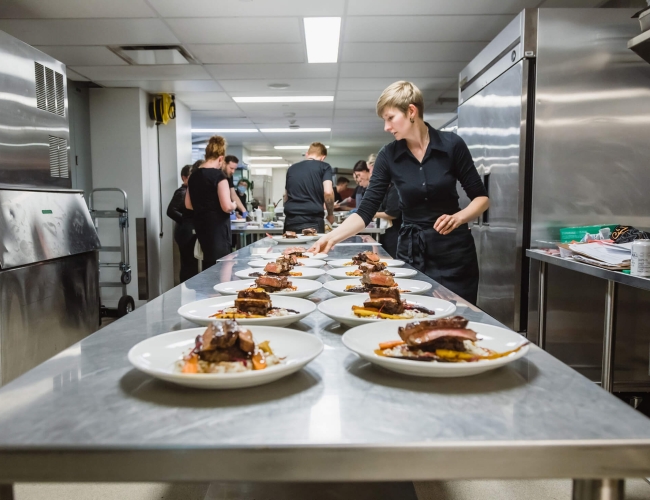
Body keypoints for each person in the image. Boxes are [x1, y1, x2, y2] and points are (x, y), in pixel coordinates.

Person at [310, 81, 489, 304]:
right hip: (412, 254)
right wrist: (331, 237)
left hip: (454, 254)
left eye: (390, 118)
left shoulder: (452, 145)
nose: (386, 127)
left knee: (459, 318)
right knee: (413, 312)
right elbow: (366, 210)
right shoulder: (388, 155)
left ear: (411, 111)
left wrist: (459, 217)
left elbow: (481, 198)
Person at [185, 135, 237, 269]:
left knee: (208, 265)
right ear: (221, 158)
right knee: (223, 265)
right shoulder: (219, 177)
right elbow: (226, 206)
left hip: (201, 227)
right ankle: (221, 289)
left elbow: (188, 205)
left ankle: (209, 290)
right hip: (218, 228)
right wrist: (234, 205)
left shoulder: (193, 176)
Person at [283, 142, 335, 233]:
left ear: (307, 154)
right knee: (313, 247)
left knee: (291, 247)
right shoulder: (325, 167)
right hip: (313, 221)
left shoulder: (292, 168)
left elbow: (285, 196)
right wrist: (330, 214)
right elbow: (328, 192)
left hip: (290, 221)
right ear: (323, 157)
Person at [166, 164, 198, 282]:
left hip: (188, 231)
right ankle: (186, 289)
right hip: (185, 233)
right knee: (188, 264)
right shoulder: (182, 192)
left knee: (191, 263)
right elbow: (171, 211)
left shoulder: (191, 192)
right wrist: (186, 220)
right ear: (184, 177)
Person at [375, 182, 402, 258]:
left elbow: (392, 214)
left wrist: (371, 214)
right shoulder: (388, 189)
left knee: (392, 259)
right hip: (387, 232)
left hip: (394, 232)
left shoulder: (395, 189)